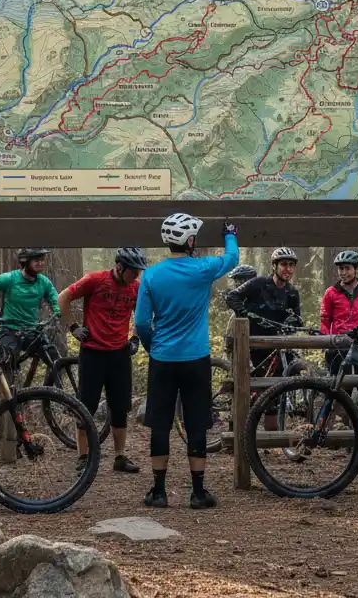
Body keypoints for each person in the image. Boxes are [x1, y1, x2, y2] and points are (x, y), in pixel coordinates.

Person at [134, 213, 240, 509]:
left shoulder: (151, 275)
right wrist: (230, 233)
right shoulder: (202, 268)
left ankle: (158, 492)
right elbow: (231, 258)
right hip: (196, 359)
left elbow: (142, 322)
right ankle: (198, 492)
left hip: (162, 360)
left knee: (160, 424)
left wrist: (152, 346)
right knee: (196, 424)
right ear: (190, 241)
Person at [57, 246, 147, 474]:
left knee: (120, 407)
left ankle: (119, 457)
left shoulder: (135, 287)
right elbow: (63, 297)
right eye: (133, 271)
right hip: (93, 352)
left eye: (138, 272)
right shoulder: (95, 280)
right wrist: (73, 327)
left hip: (119, 354)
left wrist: (135, 338)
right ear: (120, 267)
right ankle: (83, 456)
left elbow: (142, 313)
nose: (136, 276)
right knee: (85, 405)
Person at [225, 247, 302, 429]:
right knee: (245, 388)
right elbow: (232, 296)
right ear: (274, 266)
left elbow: (298, 318)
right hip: (250, 344)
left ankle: (271, 441)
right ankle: (235, 433)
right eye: (284, 264)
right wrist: (244, 313)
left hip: (275, 347)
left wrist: (293, 322)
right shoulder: (258, 283)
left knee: (273, 393)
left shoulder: (292, 293)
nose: (288, 269)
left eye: (291, 265)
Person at [320, 250, 358, 432]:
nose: (343, 272)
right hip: (339, 347)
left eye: (347, 268)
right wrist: (326, 342)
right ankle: (334, 432)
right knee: (338, 390)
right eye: (340, 269)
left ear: (356, 269)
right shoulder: (331, 293)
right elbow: (325, 321)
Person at [0, 248, 61, 374]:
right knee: (8, 360)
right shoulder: (10, 278)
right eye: (37, 260)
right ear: (25, 262)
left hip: (31, 330)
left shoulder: (44, 282)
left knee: (53, 357)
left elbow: (55, 299)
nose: (41, 263)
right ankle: (6, 390)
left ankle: (50, 391)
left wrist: (57, 311)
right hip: (9, 330)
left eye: (42, 260)